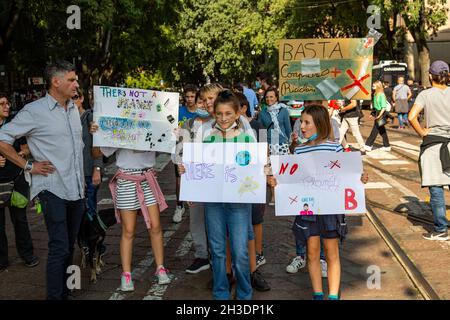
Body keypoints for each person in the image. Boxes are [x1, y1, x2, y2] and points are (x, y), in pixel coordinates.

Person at [0, 61, 84, 300]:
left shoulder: (73, 110)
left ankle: (65, 292)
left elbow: (77, 149)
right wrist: (28, 165)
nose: (76, 83)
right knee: (59, 246)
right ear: (55, 82)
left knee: (69, 246)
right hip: (52, 188)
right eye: (71, 79)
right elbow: (2, 139)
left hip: (76, 190)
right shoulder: (34, 111)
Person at [269, 104, 368, 300]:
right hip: (308, 209)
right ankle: (317, 294)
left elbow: (348, 175)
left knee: (331, 253)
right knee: (312, 252)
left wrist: (360, 178)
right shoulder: (299, 151)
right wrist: (276, 182)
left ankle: (332, 295)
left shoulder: (335, 147)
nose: (302, 127)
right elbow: (291, 180)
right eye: (301, 122)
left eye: (306, 122)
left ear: (320, 124)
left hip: (330, 209)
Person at [179, 90, 254, 300]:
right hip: (213, 200)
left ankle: (244, 294)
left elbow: (254, 165)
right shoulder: (205, 131)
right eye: (219, 113)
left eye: (228, 113)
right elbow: (194, 161)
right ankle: (220, 293)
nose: (223, 118)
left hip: (239, 202)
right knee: (218, 250)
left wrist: (263, 169)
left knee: (240, 252)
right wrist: (187, 175)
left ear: (238, 113)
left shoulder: (247, 135)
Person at [91, 127, 172, 289]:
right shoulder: (120, 126)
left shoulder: (153, 122)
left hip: (147, 177)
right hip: (126, 180)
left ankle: (160, 268)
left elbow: (169, 144)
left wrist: (172, 131)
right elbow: (97, 153)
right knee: (128, 230)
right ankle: (126, 275)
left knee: (155, 226)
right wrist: (97, 135)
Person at [408, 60, 450, 241]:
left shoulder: (425, 94)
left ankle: (441, 229)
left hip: (434, 145)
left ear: (430, 76)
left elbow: (411, 117)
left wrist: (422, 133)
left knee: (436, 188)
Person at [0, 92, 39, 273]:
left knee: (20, 220)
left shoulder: (14, 125)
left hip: (17, 181)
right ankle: (2, 260)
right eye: (2, 104)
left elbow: (26, 148)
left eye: (7, 103)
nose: (7, 106)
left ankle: (28, 255)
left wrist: (17, 155)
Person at [258, 86, 292, 205]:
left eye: (271, 96)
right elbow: (261, 130)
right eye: (267, 97)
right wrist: (262, 147)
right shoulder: (262, 113)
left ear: (276, 97)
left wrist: (290, 142)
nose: (269, 99)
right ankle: (273, 196)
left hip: (282, 143)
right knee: (270, 171)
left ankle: (283, 194)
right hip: (269, 144)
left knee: (282, 170)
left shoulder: (283, 111)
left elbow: (288, 128)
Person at [74, 88, 103, 218]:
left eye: (75, 98)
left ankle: (91, 237)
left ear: (81, 99)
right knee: (77, 212)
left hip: (88, 172)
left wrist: (97, 169)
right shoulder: (67, 120)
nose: (72, 101)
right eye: (69, 98)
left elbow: (97, 144)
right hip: (73, 173)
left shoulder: (89, 117)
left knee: (90, 210)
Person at [173, 84, 198, 223]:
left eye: (192, 96)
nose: (189, 99)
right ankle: (179, 206)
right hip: (180, 150)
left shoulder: (200, 112)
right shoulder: (178, 111)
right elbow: (170, 125)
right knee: (179, 181)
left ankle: (195, 205)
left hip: (196, 150)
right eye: (187, 96)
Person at [364, 81, 391, 152]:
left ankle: (368, 145)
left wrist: (380, 115)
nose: (372, 87)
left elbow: (383, 107)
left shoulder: (381, 95)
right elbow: (375, 106)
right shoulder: (375, 94)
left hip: (382, 113)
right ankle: (387, 145)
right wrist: (372, 113)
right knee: (382, 130)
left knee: (375, 129)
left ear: (378, 86)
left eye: (374, 86)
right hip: (377, 112)